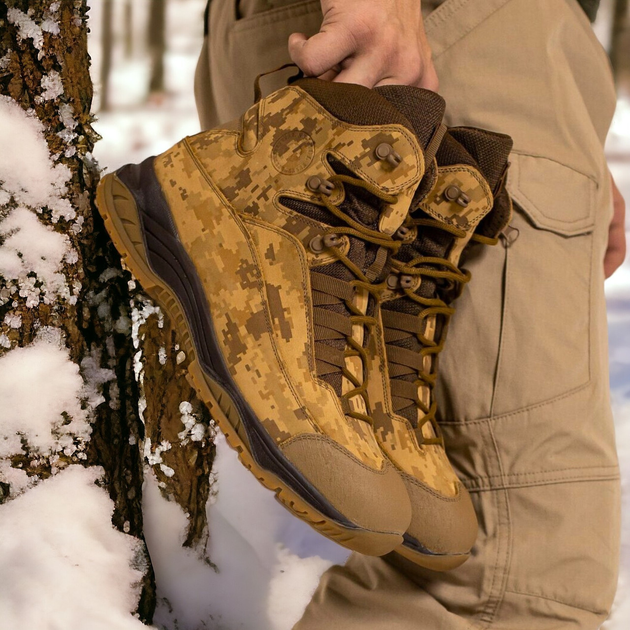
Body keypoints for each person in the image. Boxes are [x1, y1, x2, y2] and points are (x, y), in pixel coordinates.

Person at [194, 1, 627, 627]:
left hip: (490, 41)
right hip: (439, 30)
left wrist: (565, 119)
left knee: (462, 548)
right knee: (506, 582)